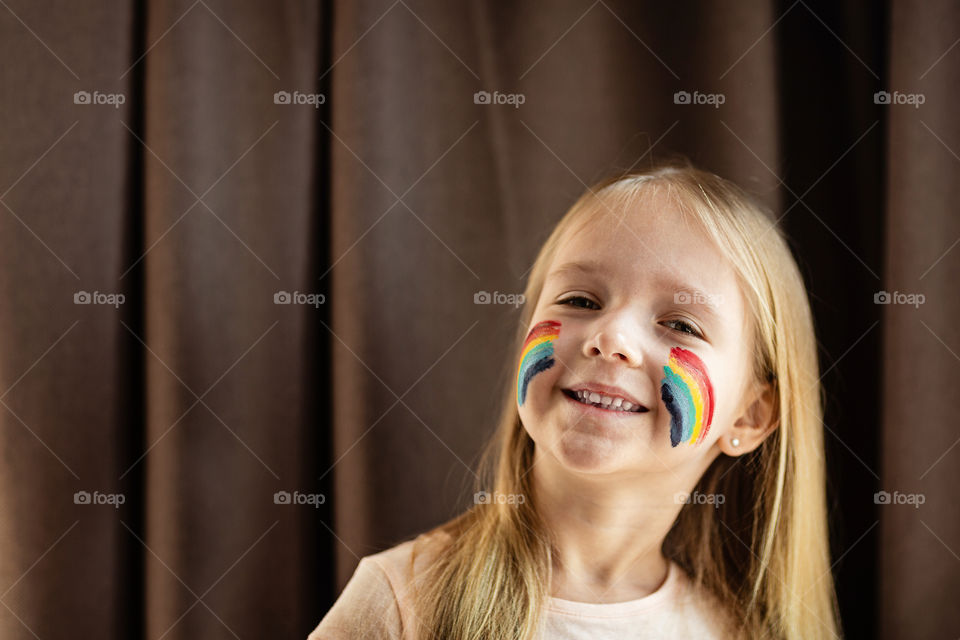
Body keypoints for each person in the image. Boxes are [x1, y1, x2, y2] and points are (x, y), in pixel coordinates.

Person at [309, 159, 841, 639]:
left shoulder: (732, 634)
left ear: (749, 416)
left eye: (680, 323)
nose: (609, 338)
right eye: (581, 299)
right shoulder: (403, 600)